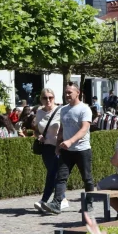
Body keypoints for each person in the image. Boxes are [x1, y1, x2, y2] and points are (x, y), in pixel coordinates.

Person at [39, 83, 95, 216]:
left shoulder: (84, 109)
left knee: (87, 178)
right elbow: (62, 129)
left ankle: (89, 203)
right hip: (66, 151)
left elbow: (84, 129)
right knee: (61, 177)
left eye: (70, 92)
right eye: (66, 93)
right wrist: (58, 144)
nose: (67, 95)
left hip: (82, 149)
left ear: (78, 93)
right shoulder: (63, 109)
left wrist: (70, 141)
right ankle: (56, 203)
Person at [31, 87, 61, 214]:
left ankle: (45, 200)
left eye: (50, 97)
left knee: (53, 174)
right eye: (45, 98)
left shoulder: (60, 111)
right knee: (52, 173)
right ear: (41, 99)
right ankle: (61, 198)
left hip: (58, 147)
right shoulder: (39, 112)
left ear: (54, 98)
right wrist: (39, 135)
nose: (48, 100)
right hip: (46, 148)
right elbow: (36, 129)